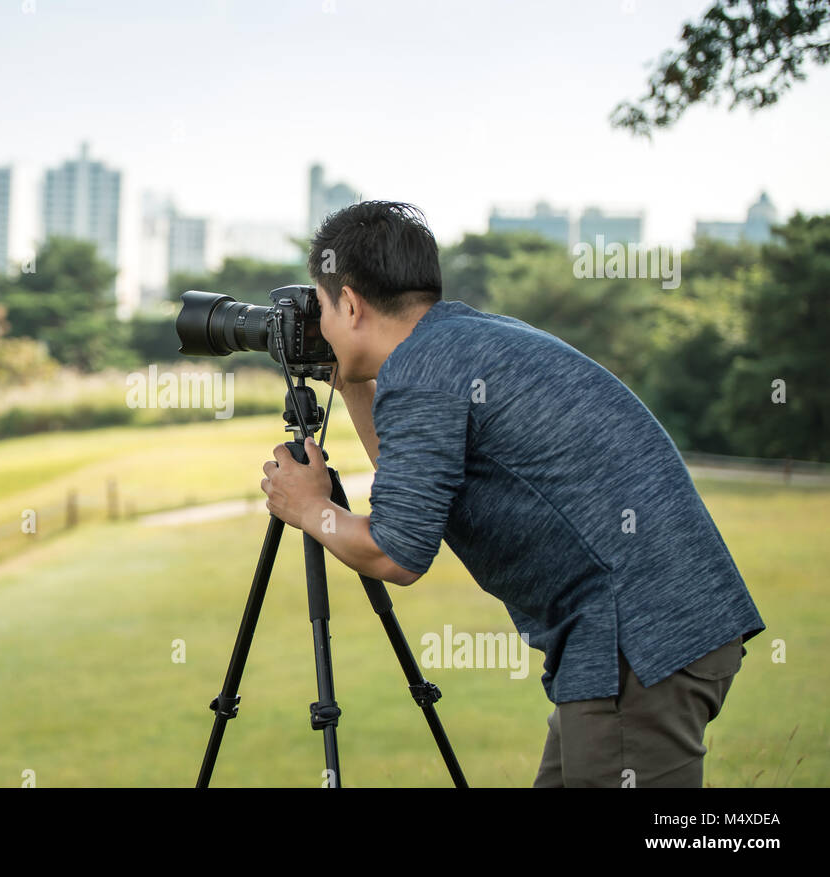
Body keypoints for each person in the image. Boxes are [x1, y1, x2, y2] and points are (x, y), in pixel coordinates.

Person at [259, 200, 765, 788]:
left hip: (634, 640)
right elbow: (419, 494)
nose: (316, 326)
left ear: (349, 303)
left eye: (319, 307)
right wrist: (353, 388)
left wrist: (307, 507)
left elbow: (396, 553)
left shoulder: (424, 371)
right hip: (644, 631)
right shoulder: (459, 340)